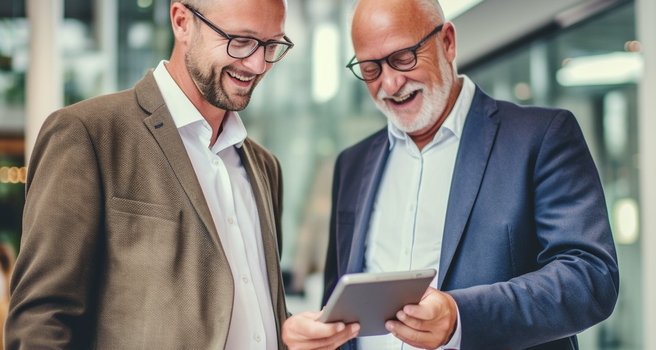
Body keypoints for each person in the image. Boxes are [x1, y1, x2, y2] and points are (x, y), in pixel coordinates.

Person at [282, 0, 619, 349]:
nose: (391, 82)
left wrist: (461, 316)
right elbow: (339, 298)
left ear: (447, 42)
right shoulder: (351, 164)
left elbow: (590, 278)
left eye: (403, 58)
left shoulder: (540, 136)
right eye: (371, 69)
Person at [6, 0, 294, 348]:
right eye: (241, 41)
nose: (258, 63)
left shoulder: (264, 166)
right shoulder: (88, 134)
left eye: (272, 44)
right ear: (182, 21)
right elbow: (42, 321)